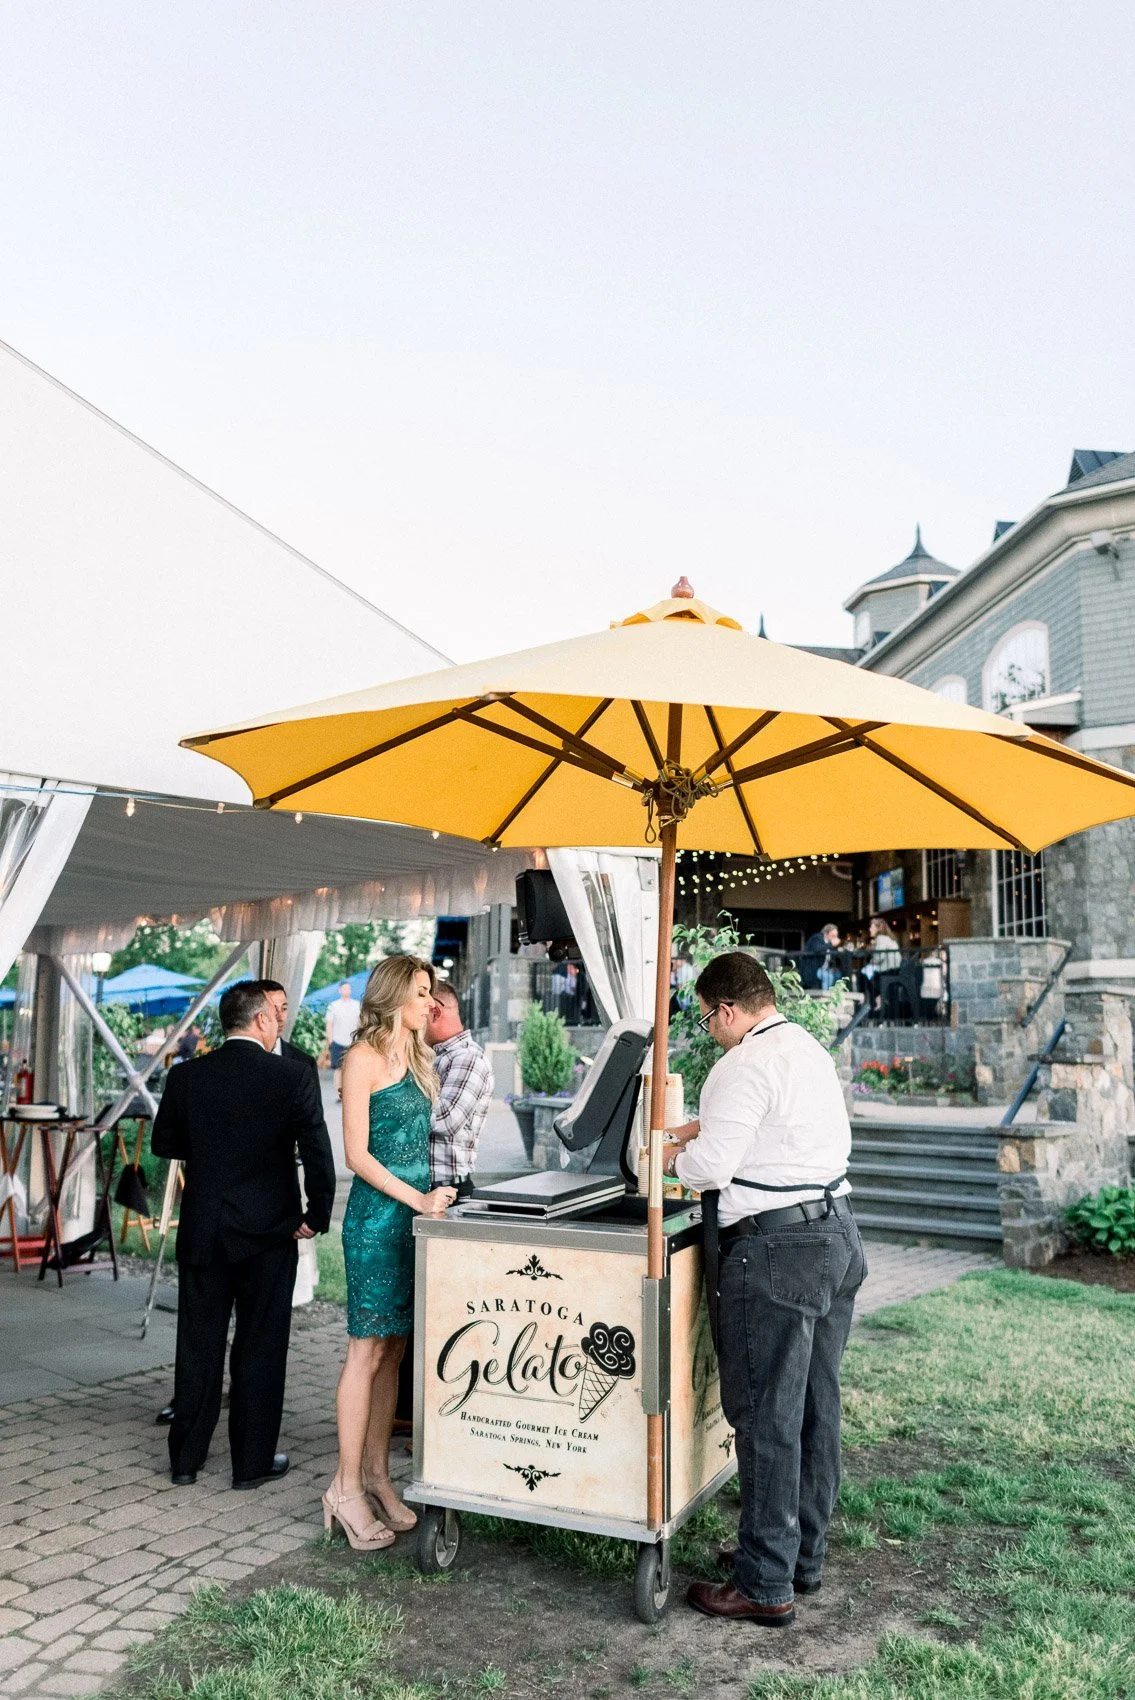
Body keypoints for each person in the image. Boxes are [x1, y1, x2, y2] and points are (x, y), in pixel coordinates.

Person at [662, 951, 865, 1626]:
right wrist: (703, 1129)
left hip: (776, 1248)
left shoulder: (739, 1064)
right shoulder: (804, 1047)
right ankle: (797, 1556)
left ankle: (764, 1583)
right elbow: (777, 1131)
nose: (709, 1030)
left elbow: (710, 1169)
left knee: (766, 1415)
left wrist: (673, 1156)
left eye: (705, 1018)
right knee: (814, 1406)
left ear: (725, 1009)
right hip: (836, 1231)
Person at [152, 980, 336, 1489]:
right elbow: (318, 1153)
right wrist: (317, 1214)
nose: (279, 1024)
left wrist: (212, 1150)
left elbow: (164, 1143)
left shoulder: (186, 1075)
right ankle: (250, 1464)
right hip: (270, 1230)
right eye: (275, 1016)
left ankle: (185, 1461)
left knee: (198, 1344)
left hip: (205, 1227)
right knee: (260, 1345)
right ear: (259, 1020)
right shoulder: (292, 1076)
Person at [323, 956, 456, 1551]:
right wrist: (418, 1198)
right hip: (377, 1221)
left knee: (395, 1350)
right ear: (394, 995)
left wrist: (435, 1199)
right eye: (422, 992)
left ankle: (377, 1476)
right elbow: (356, 1155)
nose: (431, 1003)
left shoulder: (419, 1056)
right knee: (366, 1349)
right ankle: (345, 1488)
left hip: (415, 1219)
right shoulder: (362, 1058)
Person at [391, 979, 495, 1435]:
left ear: (436, 1010)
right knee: (412, 1302)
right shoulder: (435, 1057)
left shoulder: (467, 1059)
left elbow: (446, 1119)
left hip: (447, 1193)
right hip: (421, 1190)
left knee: (437, 1306)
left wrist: (386, 1105)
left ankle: (430, 1421)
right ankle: (405, 1412)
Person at [326, 980, 362, 1096]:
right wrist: (330, 1040)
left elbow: (361, 1023)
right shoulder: (333, 1006)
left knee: (353, 1068)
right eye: (344, 988)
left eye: (348, 988)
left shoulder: (357, 1005)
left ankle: (351, 1092)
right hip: (337, 1041)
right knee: (338, 1069)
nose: (346, 990)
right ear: (340, 990)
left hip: (353, 1041)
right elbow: (329, 1024)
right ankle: (339, 1093)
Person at [800, 923, 841, 991]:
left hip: (825, 968)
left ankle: (834, 993)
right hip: (813, 968)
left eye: (836, 935)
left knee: (838, 975)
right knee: (828, 977)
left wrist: (833, 966)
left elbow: (832, 957)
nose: (835, 937)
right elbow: (817, 949)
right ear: (826, 933)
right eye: (833, 935)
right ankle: (825, 995)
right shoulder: (817, 937)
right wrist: (831, 944)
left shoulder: (829, 943)